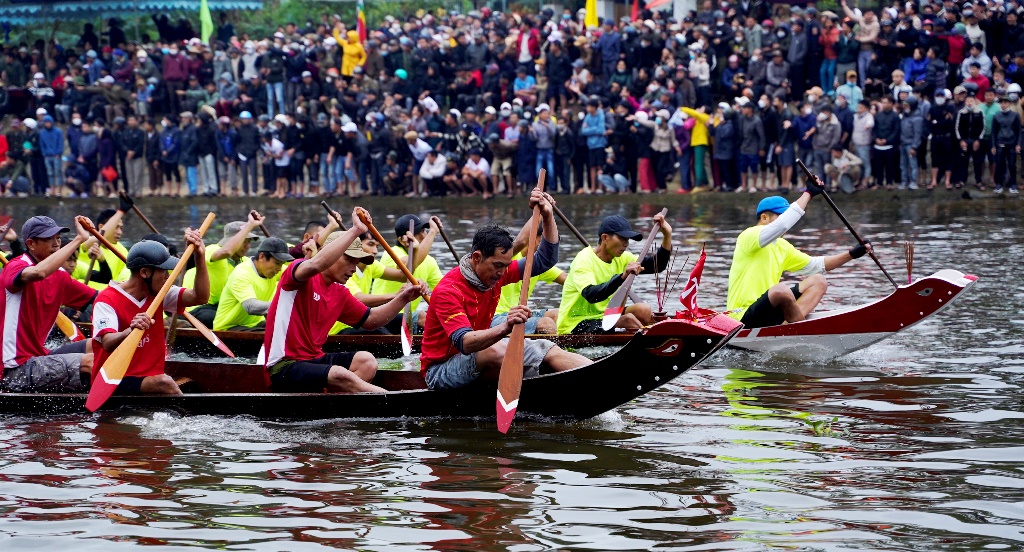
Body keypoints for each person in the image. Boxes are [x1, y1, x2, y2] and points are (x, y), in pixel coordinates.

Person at [420, 191, 590, 390]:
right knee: (494, 349)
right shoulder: (448, 290)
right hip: (440, 372)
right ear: (476, 258)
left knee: (546, 348)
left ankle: (602, 376)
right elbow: (464, 343)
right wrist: (506, 327)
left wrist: (548, 216)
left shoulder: (496, 272)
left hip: (481, 355)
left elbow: (545, 260)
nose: (502, 273)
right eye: (497, 265)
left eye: (505, 266)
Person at [259, 208, 428, 393]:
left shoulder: (340, 292)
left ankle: (333, 411)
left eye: (356, 263)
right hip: (283, 367)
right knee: (340, 373)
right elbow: (317, 263)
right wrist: (355, 230)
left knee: (367, 361)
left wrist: (403, 298)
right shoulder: (298, 275)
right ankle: (389, 400)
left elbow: (371, 320)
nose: (353, 269)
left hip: (314, 360)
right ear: (331, 254)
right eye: (349, 260)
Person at [726, 185, 871, 329]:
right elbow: (782, 226)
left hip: (769, 311)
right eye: (782, 216)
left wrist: (852, 254)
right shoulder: (748, 236)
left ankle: (787, 326)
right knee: (780, 290)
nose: (788, 224)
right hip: (741, 318)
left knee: (818, 281)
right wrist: (808, 193)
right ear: (764, 217)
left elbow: (818, 266)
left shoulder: (782, 246)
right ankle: (800, 329)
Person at [91, 233, 209, 396]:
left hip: (149, 378)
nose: (168, 278)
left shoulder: (160, 293)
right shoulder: (106, 300)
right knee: (164, 382)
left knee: (165, 380)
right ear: (145, 272)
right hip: (115, 381)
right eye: (163, 272)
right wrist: (130, 330)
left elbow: (200, 297)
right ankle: (190, 420)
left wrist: (199, 257)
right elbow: (107, 343)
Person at [0, 216, 98, 392]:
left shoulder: (60, 276)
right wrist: (79, 239)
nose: (56, 243)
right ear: (31, 244)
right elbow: (38, 273)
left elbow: (99, 299)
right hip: (12, 369)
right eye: (49, 239)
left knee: (100, 344)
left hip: (39, 358)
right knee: (90, 362)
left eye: (58, 238)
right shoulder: (15, 266)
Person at [556, 214, 672, 335]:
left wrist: (667, 234)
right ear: (605, 238)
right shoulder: (583, 260)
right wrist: (622, 277)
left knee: (643, 310)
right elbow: (592, 295)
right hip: (575, 324)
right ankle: (648, 340)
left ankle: (645, 336)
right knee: (628, 320)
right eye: (622, 238)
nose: (626, 244)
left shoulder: (622, 257)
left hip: (605, 315)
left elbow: (657, 265)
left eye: (627, 239)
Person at [182, 212, 265, 326]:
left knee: (259, 321)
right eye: (244, 241)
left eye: (249, 242)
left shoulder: (245, 262)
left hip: (222, 308)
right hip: (198, 307)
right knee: (229, 321)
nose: (247, 246)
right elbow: (227, 252)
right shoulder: (212, 249)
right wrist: (250, 225)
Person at [490, 221, 564, 335]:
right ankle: (551, 351)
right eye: (542, 242)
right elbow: (521, 241)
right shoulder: (510, 257)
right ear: (532, 239)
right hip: (495, 317)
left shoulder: (537, 264)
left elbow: (569, 280)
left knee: (561, 315)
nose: (546, 248)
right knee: (547, 324)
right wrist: (541, 211)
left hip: (520, 313)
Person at [370, 214, 443, 325]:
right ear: (402, 240)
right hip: (381, 314)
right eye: (419, 233)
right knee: (425, 318)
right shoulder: (391, 253)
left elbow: (443, 291)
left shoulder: (430, 261)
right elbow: (406, 268)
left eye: (425, 231)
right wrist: (433, 232)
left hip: (408, 318)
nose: (425, 236)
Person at [212, 237, 294, 331]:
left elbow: (298, 274)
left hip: (256, 324)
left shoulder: (273, 269)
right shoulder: (242, 273)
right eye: (277, 263)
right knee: (277, 333)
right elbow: (251, 306)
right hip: (229, 328)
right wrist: (284, 305)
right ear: (262, 257)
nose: (279, 268)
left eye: (282, 264)